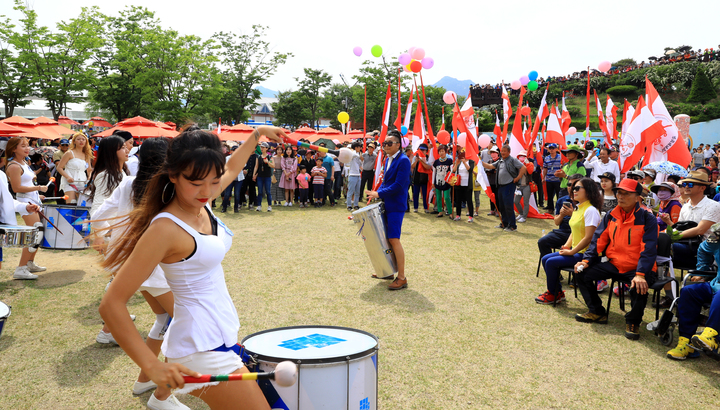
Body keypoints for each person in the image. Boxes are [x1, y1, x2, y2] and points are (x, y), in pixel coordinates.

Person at [99, 125, 286, 409]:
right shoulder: (165, 228)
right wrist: (151, 367)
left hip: (220, 336)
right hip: (199, 348)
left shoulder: (201, 202)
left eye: (214, 181)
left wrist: (256, 135)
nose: (207, 190)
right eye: (196, 182)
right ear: (173, 175)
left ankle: (158, 402)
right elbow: (111, 304)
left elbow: (233, 167)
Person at [92, 138, 189, 409]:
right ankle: (162, 394)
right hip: (157, 269)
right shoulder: (167, 188)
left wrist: (100, 236)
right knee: (185, 324)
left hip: (132, 268)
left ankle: (145, 379)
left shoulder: (127, 183)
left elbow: (99, 214)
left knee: (164, 319)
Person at [574, 178, 658, 340]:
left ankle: (633, 321)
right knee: (581, 273)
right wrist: (586, 261)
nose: (620, 196)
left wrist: (640, 274)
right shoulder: (611, 215)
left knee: (640, 285)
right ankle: (597, 312)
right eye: (619, 192)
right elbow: (598, 241)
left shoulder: (648, 219)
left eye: (626, 194)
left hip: (638, 267)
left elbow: (648, 250)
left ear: (637, 197)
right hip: (615, 264)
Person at [536, 178, 602, 304]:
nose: (573, 190)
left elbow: (589, 237)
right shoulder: (578, 207)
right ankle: (557, 292)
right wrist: (566, 246)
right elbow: (574, 230)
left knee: (550, 262)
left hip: (586, 254)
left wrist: (571, 252)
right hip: (575, 250)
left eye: (577, 188)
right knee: (546, 259)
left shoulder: (591, 210)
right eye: (573, 188)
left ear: (588, 191)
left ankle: (553, 293)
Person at [366, 130, 411, 290]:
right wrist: (375, 195)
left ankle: (402, 277)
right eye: (384, 143)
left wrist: (379, 193)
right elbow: (385, 181)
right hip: (386, 204)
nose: (385, 145)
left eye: (389, 143)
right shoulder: (388, 159)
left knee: (394, 239)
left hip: (396, 206)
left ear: (398, 145)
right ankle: (388, 271)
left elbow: (399, 185)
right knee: (385, 239)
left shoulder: (404, 160)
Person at [666, 230, 720, 360]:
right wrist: (702, 271)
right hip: (716, 283)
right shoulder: (718, 232)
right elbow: (703, 248)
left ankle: (711, 337)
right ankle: (686, 344)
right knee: (689, 291)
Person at [5, 137, 47, 279]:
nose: (27, 148)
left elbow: (26, 183)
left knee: (38, 232)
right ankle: (21, 268)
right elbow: (16, 188)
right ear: (13, 149)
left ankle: (29, 263)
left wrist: (37, 195)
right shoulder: (14, 166)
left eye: (27, 145)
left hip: (33, 201)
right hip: (25, 204)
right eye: (23, 146)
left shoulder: (24, 162)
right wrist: (39, 187)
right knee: (35, 232)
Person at [666, 171, 720, 269]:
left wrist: (671, 237)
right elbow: (679, 227)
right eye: (684, 184)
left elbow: (700, 230)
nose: (686, 187)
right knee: (654, 245)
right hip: (686, 245)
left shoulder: (714, 206)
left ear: (702, 188)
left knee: (662, 245)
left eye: (690, 184)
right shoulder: (685, 206)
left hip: (706, 253)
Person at [537, 174, 583, 259]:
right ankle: (552, 269)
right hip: (563, 232)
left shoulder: (584, 201)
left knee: (576, 249)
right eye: (569, 184)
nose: (571, 187)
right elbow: (557, 222)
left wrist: (572, 214)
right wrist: (562, 215)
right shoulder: (562, 200)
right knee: (542, 241)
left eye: (575, 185)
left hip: (578, 233)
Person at [481, 145, 526, 232]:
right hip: (500, 187)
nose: (502, 152)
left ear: (509, 152)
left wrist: (517, 178)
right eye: (501, 151)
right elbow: (490, 166)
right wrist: (480, 162)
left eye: (504, 151)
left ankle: (512, 226)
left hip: (509, 186)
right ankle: (504, 223)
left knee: (508, 205)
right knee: (501, 206)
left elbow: (523, 167)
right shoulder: (500, 161)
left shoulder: (512, 160)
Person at [88, 135, 129, 216]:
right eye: (123, 147)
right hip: (110, 225)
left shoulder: (122, 172)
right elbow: (97, 208)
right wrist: (107, 228)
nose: (127, 151)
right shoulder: (106, 175)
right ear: (111, 151)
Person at [57, 132, 93, 204]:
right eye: (78, 139)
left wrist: (89, 178)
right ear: (74, 141)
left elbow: (89, 170)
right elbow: (59, 167)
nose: (81, 141)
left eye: (83, 139)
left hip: (82, 181)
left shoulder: (86, 155)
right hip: (69, 181)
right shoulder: (69, 153)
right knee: (71, 203)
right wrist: (67, 177)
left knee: (82, 204)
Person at [452, 149, 474, 222]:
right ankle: (458, 215)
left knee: (469, 200)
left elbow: (470, 170)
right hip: (459, 184)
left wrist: (464, 162)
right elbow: (454, 171)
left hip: (467, 185)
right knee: (458, 200)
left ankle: (471, 216)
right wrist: (456, 164)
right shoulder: (459, 162)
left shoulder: (471, 161)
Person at [221, 146, 244, 213]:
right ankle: (224, 207)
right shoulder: (227, 158)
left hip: (239, 179)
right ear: (231, 151)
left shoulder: (241, 158)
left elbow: (243, 166)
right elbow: (227, 167)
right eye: (234, 150)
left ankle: (236, 208)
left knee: (237, 194)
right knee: (227, 193)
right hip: (229, 179)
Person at [513, 150, 534, 223]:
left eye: (524, 156)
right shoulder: (516, 165)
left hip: (526, 186)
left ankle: (524, 217)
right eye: (520, 156)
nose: (522, 157)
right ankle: (521, 214)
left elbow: (530, 171)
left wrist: (527, 163)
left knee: (526, 202)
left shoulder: (530, 164)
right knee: (516, 201)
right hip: (519, 186)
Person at [432, 145, 453, 218]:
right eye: (440, 151)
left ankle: (450, 212)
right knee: (438, 197)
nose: (441, 153)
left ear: (445, 152)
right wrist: (432, 182)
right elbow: (434, 172)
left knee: (447, 197)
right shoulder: (436, 162)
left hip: (446, 182)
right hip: (438, 181)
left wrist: (451, 180)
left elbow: (452, 171)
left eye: (443, 151)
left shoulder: (449, 161)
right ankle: (440, 211)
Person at [253, 142, 274, 212]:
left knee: (268, 191)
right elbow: (256, 166)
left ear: (267, 148)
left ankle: (269, 206)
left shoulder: (270, 157)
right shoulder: (258, 157)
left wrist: (268, 162)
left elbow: (273, 166)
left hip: (267, 176)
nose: (261, 148)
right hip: (260, 176)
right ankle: (259, 205)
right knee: (260, 191)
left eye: (263, 147)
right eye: (261, 147)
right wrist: (254, 174)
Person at [543, 143, 563, 211]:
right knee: (550, 195)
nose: (551, 150)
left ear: (556, 149)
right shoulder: (546, 158)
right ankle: (550, 208)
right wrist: (543, 178)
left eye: (553, 148)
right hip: (549, 179)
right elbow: (545, 168)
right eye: (550, 148)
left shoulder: (560, 157)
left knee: (559, 195)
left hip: (558, 180)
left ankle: (559, 208)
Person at [346, 142, 363, 211]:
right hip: (352, 175)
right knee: (350, 191)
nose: (360, 148)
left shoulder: (357, 154)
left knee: (357, 192)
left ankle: (356, 204)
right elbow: (353, 155)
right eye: (359, 147)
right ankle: (349, 205)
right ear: (356, 147)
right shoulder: (352, 154)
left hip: (358, 175)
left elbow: (360, 164)